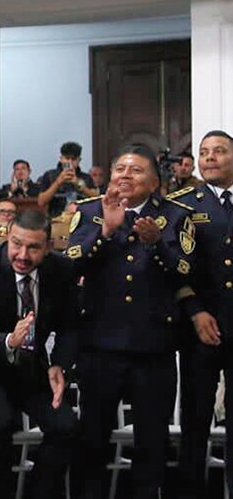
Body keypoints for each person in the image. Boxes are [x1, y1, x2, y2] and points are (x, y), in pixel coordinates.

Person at [67, 143, 195, 499]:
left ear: (154, 182)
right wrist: (105, 233)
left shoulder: (176, 215)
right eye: (120, 169)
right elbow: (71, 265)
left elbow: (186, 271)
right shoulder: (92, 210)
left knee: (151, 444)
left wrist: (156, 244)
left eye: (136, 170)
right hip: (100, 345)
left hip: (153, 347)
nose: (125, 175)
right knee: (91, 439)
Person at [0, 210, 78, 499]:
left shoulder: (61, 270)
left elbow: (71, 327)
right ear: (7, 236)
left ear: (48, 246)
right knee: (0, 423)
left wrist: (59, 365)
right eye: (16, 244)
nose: (22, 254)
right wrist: (8, 340)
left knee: (65, 426)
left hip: (30, 368)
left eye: (33, 247)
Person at [170, 130, 233, 499]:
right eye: (204, 152)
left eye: (220, 152)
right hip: (201, 329)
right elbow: (174, 268)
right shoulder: (182, 205)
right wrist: (195, 311)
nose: (210, 158)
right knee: (196, 422)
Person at [37, 141, 98, 217]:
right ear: (61, 159)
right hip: (56, 219)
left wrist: (79, 184)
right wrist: (58, 182)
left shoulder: (86, 177)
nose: (70, 162)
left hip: (81, 220)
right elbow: (41, 201)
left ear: (79, 160)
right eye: (67, 158)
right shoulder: (49, 175)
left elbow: (96, 198)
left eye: (73, 159)